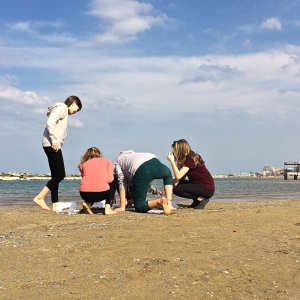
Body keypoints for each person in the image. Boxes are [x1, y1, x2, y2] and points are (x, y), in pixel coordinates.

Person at [33, 96, 82, 211]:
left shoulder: (61, 109)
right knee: (61, 174)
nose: (76, 112)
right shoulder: (62, 107)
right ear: (73, 102)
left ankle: (55, 204)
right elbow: (50, 122)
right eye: (77, 109)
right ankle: (40, 197)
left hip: (48, 144)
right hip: (52, 144)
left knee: (55, 175)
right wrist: (54, 141)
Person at [167, 139, 215, 209]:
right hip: (201, 186)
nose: (174, 153)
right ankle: (197, 200)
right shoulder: (188, 159)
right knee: (177, 186)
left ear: (180, 150)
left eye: (175, 151)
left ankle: (200, 199)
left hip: (206, 187)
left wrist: (172, 161)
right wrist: (172, 183)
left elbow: (178, 175)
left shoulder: (190, 159)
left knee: (177, 189)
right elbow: (180, 178)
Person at [78, 147, 116, 215]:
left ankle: (87, 204)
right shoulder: (107, 161)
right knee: (114, 178)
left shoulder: (83, 164)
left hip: (84, 194)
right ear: (99, 154)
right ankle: (108, 208)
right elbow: (110, 180)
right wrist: (111, 195)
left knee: (91, 185)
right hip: (102, 194)